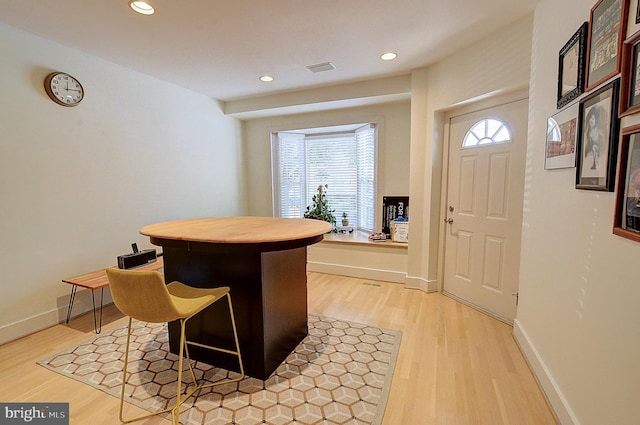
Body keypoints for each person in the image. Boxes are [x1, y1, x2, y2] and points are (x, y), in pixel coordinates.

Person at [584, 105, 605, 170]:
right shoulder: (587, 133)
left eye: (593, 118)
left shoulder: (599, 133)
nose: (591, 121)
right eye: (590, 118)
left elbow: (602, 146)